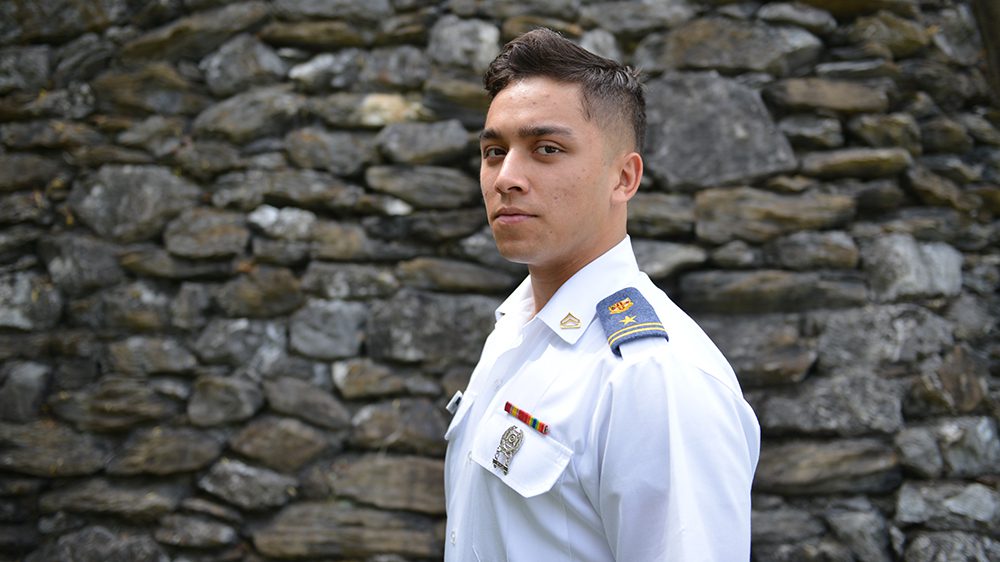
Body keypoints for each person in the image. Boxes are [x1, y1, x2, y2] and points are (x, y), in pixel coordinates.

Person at [443, 28, 760, 561]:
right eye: (494, 151)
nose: (506, 178)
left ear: (624, 178)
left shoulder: (654, 375)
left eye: (547, 148)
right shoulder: (517, 328)